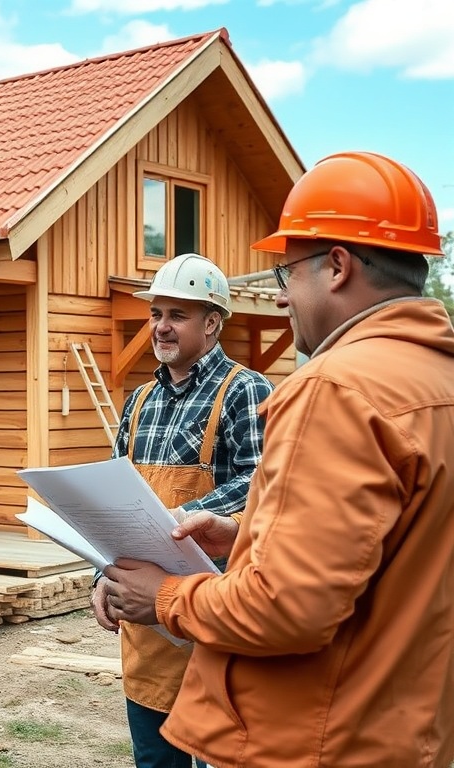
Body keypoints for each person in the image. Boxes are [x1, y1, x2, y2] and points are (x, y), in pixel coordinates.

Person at [101, 151, 454, 767]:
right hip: (405, 729)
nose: (283, 296)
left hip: (323, 735)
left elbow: (287, 607)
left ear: (338, 265)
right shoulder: (437, 380)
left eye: (288, 274)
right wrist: (241, 535)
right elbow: (373, 548)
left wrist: (163, 597)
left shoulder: (332, 391)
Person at [91, 253, 273, 768]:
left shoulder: (247, 391)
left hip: (215, 612)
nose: (162, 327)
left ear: (212, 323)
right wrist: (101, 575)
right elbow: (112, 495)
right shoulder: (141, 399)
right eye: (156, 314)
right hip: (148, 628)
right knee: (155, 760)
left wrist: (172, 520)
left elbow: (263, 482)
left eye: (178, 315)